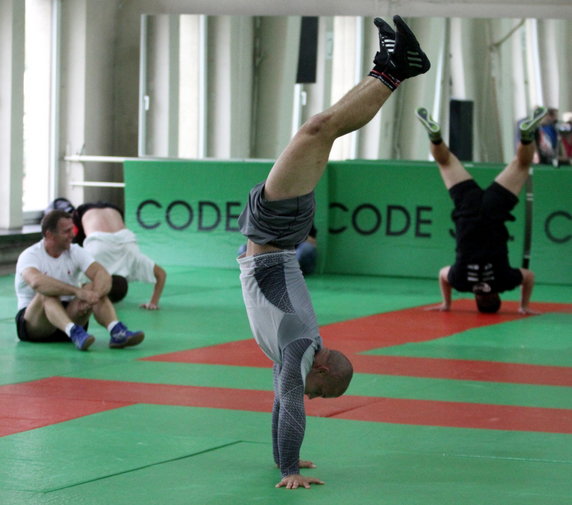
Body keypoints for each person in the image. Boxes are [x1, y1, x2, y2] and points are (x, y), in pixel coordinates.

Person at [237, 15, 430, 489]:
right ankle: (393, 70)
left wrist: (289, 460)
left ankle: (390, 66)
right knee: (318, 130)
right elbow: (293, 406)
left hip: (275, 234)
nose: (313, 399)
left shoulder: (291, 355)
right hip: (277, 234)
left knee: (320, 131)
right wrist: (288, 468)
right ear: (321, 368)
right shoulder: (301, 347)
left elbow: (283, 406)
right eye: (321, 393)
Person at [416, 105, 548, 314]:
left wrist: (523, 306)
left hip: (494, 210)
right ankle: (435, 138)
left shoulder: (504, 281)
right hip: (467, 210)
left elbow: (529, 276)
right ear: (477, 299)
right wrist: (446, 304)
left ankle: (526, 137)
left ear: (496, 297)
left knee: (521, 165)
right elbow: (443, 274)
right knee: (445, 161)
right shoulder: (460, 281)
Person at [14, 209, 145, 351]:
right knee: (46, 293)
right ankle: (73, 331)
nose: (73, 234)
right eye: (66, 231)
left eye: (72, 229)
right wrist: (78, 292)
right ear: (49, 235)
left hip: (69, 319)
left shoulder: (75, 251)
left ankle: (116, 331)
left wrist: (94, 296)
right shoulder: (30, 255)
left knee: (92, 286)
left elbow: (102, 274)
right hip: (37, 324)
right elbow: (37, 282)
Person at [72, 202, 167, 309]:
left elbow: (162, 274)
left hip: (115, 209)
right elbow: (84, 287)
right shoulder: (94, 259)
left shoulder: (133, 258)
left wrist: (154, 303)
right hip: (87, 213)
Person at [237, 223, 318, 276]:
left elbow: (313, 242)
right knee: (243, 249)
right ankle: (262, 271)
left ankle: (289, 272)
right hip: (273, 254)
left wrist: (291, 236)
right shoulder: (267, 219)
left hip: (293, 256)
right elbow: (255, 241)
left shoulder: (303, 218)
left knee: (307, 248)